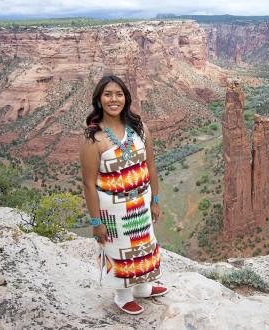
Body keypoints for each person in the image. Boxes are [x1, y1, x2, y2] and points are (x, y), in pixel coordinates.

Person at [79, 75, 167, 315]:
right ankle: (122, 295)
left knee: (143, 244)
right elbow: (88, 184)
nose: (113, 99)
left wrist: (155, 200)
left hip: (141, 200)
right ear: (99, 99)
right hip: (112, 207)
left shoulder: (139, 128)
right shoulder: (93, 138)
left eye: (118, 94)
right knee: (118, 250)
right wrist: (96, 222)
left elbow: (151, 165)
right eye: (107, 94)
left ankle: (143, 288)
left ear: (126, 98)